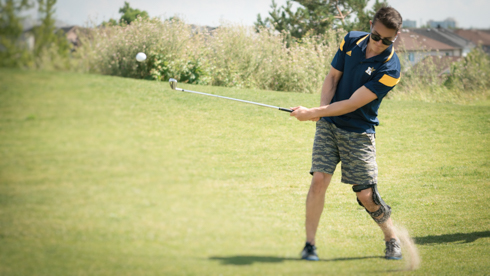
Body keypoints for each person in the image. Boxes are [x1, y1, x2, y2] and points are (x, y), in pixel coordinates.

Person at [290, 6, 403, 261]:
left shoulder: (390, 69)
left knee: (365, 195)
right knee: (319, 180)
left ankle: (391, 237)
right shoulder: (351, 39)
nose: (378, 44)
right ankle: (310, 245)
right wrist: (320, 113)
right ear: (371, 25)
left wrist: (313, 112)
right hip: (329, 126)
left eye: (387, 40)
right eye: (376, 36)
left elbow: (353, 103)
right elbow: (332, 78)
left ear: (395, 37)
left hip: (358, 132)